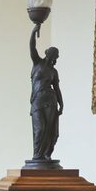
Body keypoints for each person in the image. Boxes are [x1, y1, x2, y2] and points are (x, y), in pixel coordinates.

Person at [30, 23, 63, 161]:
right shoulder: (37, 63)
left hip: (51, 102)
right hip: (37, 101)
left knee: (51, 132)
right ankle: (37, 156)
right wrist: (34, 32)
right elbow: (32, 47)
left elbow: (57, 88)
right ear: (48, 54)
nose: (54, 59)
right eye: (54, 56)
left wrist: (62, 104)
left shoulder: (54, 72)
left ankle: (46, 155)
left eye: (56, 57)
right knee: (40, 129)